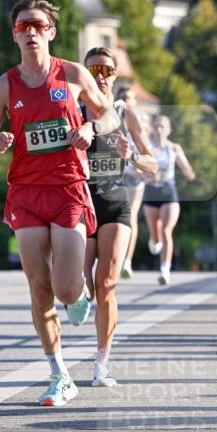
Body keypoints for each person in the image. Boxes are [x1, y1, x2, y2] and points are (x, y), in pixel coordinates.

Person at [0, 0, 119, 408]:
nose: (31, 32)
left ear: (51, 32)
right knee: (39, 290)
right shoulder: (4, 85)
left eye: (38, 26)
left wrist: (90, 128)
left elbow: (108, 114)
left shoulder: (72, 75)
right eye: (23, 27)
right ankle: (59, 374)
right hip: (26, 192)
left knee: (67, 289)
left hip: (69, 187)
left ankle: (79, 298)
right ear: (14, 35)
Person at [80, 50, 156, 386]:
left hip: (115, 203)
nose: (99, 75)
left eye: (106, 70)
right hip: (80, 203)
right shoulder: (73, 110)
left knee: (107, 284)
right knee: (81, 287)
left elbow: (153, 164)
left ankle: (102, 363)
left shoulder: (127, 113)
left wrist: (134, 155)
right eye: (93, 69)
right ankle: (76, 301)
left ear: (114, 74)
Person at [142, 115, 195, 286]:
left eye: (162, 127)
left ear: (169, 130)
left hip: (168, 192)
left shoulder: (174, 148)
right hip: (151, 192)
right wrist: (147, 174)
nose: (159, 130)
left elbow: (185, 165)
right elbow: (138, 168)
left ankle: (165, 270)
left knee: (166, 231)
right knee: (156, 237)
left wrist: (188, 171)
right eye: (156, 126)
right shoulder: (147, 146)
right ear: (152, 129)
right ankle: (154, 238)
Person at [116, 85, 147, 279]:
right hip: (115, 173)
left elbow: (147, 149)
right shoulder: (110, 117)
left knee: (131, 215)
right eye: (122, 97)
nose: (126, 101)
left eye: (129, 98)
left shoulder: (141, 120)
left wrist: (140, 164)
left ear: (135, 101)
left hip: (134, 174)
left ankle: (127, 261)